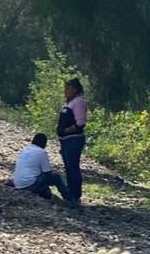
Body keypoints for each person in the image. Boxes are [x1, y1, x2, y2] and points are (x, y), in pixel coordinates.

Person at [13, 133, 77, 206]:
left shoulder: (25, 149)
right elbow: (47, 173)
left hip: (18, 183)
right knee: (56, 177)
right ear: (44, 144)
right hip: (30, 184)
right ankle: (70, 199)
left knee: (41, 180)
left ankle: (47, 194)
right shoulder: (41, 152)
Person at [57, 77, 87, 207]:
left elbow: (80, 123)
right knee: (68, 167)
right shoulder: (70, 102)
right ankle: (70, 194)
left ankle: (75, 195)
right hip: (66, 141)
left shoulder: (79, 102)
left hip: (73, 140)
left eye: (68, 88)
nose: (65, 91)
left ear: (75, 89)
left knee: (73, 167)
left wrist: (66, 130)